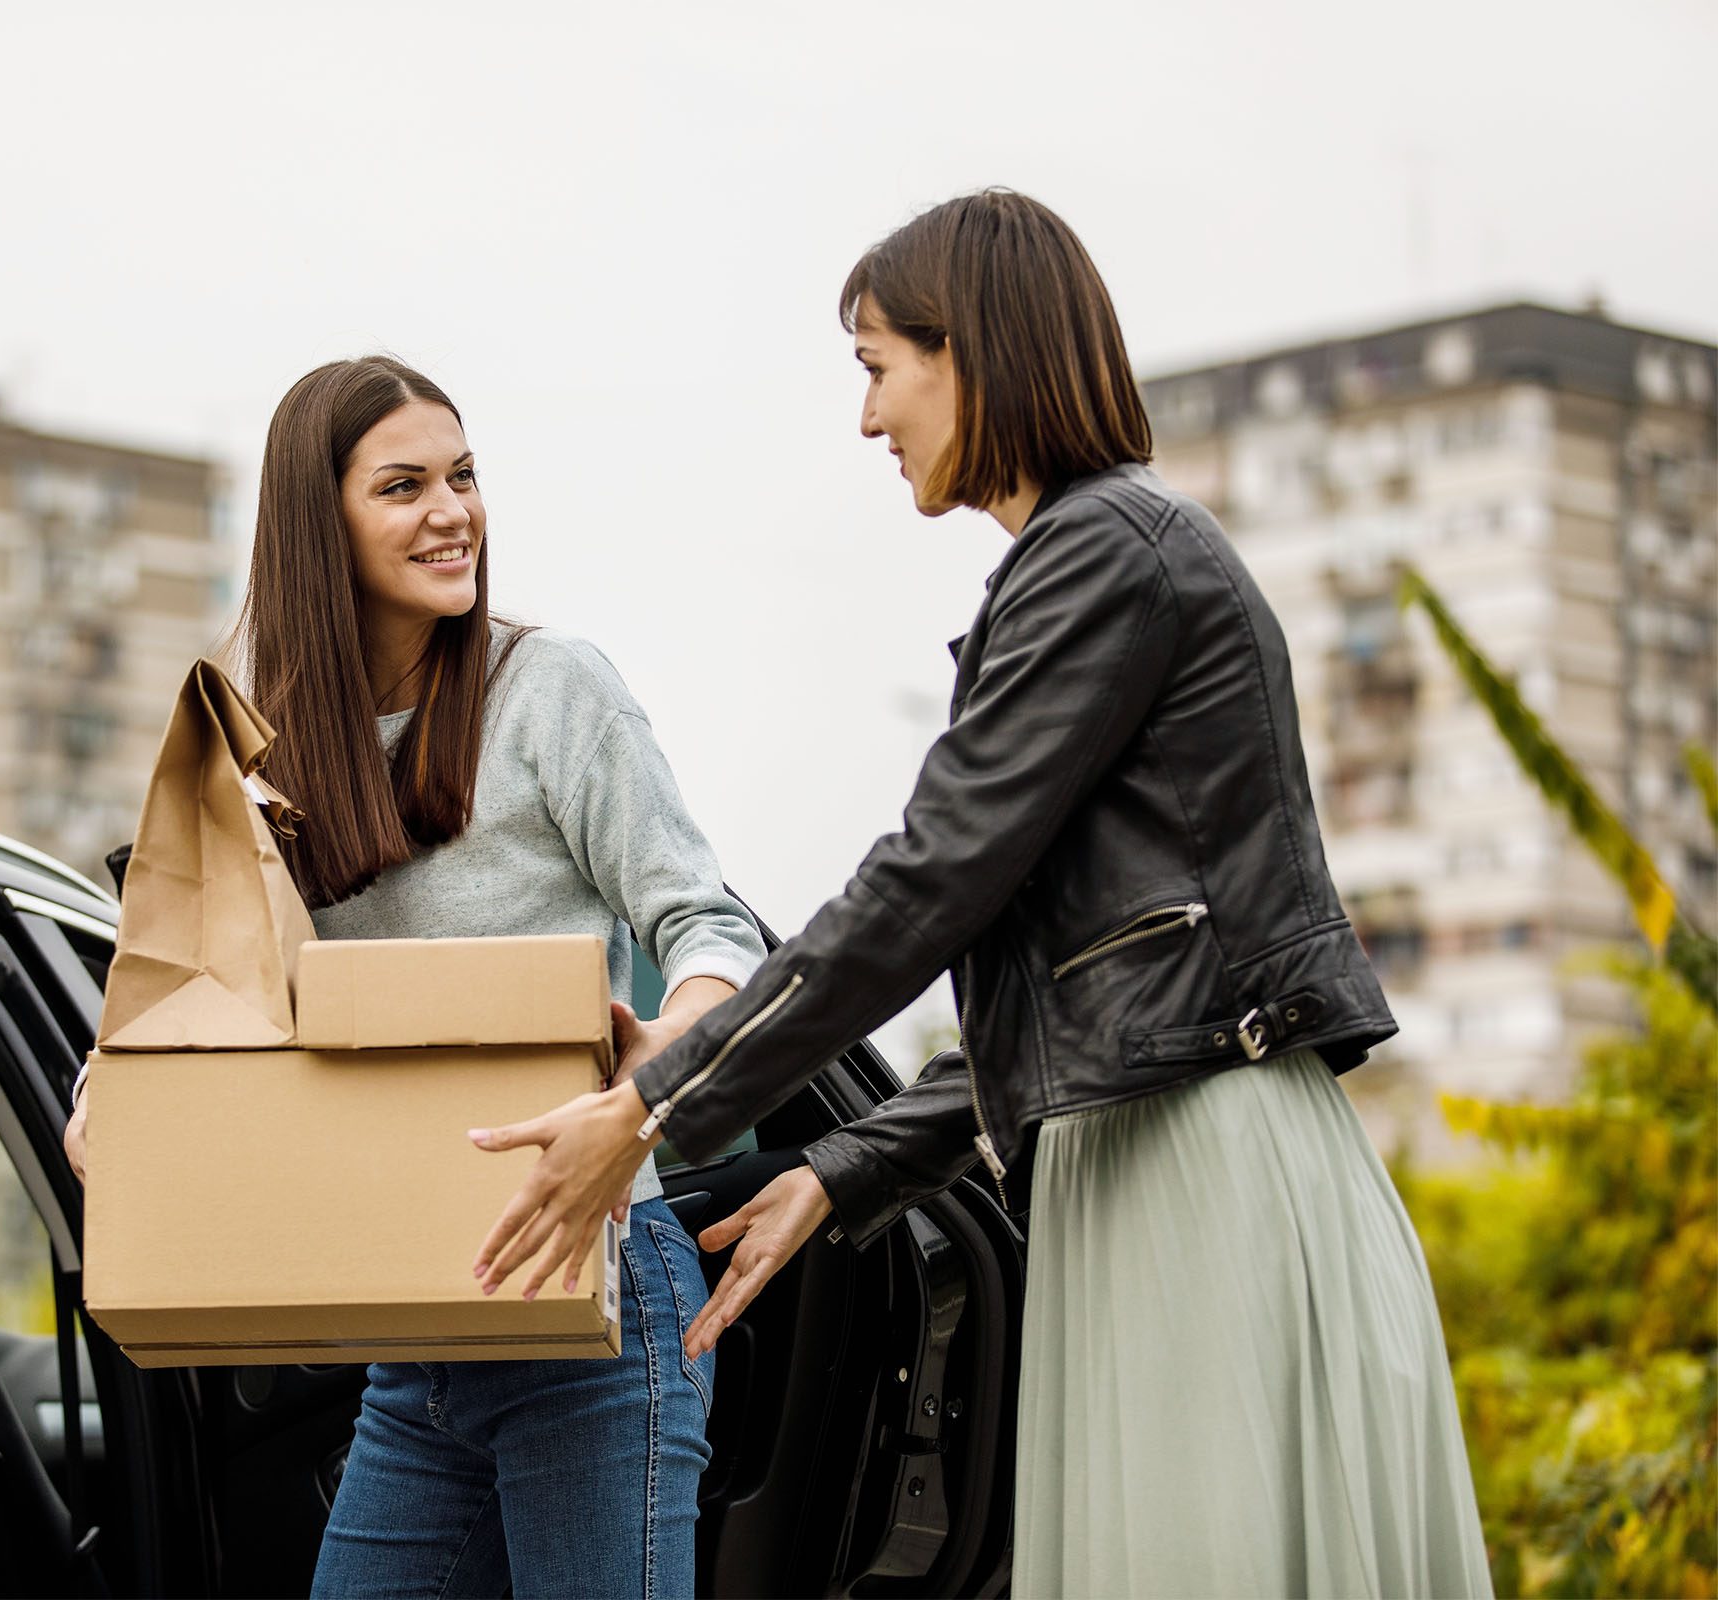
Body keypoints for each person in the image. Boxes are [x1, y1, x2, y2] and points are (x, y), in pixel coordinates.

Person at [467, 191, 1492, 1599]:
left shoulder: (1101, 556)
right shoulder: (1104, 561)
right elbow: (1080, 988)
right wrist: (837, 1171)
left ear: (977, 354)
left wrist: (656, 1104)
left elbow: (926, 881)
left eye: (878, 367)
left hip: (1193, 1162)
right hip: (1150, 1143)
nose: (869, 420)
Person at [65, 356, 762, 1598]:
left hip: (593, 1289)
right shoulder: (256, 735)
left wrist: (677, 1048)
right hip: (418, 1322)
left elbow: (712, 923)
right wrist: (109, 1085)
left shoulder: (550, 690)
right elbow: (209, 977)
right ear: (314, 522)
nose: (454, 513)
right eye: (403, 486)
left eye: (464, 476)